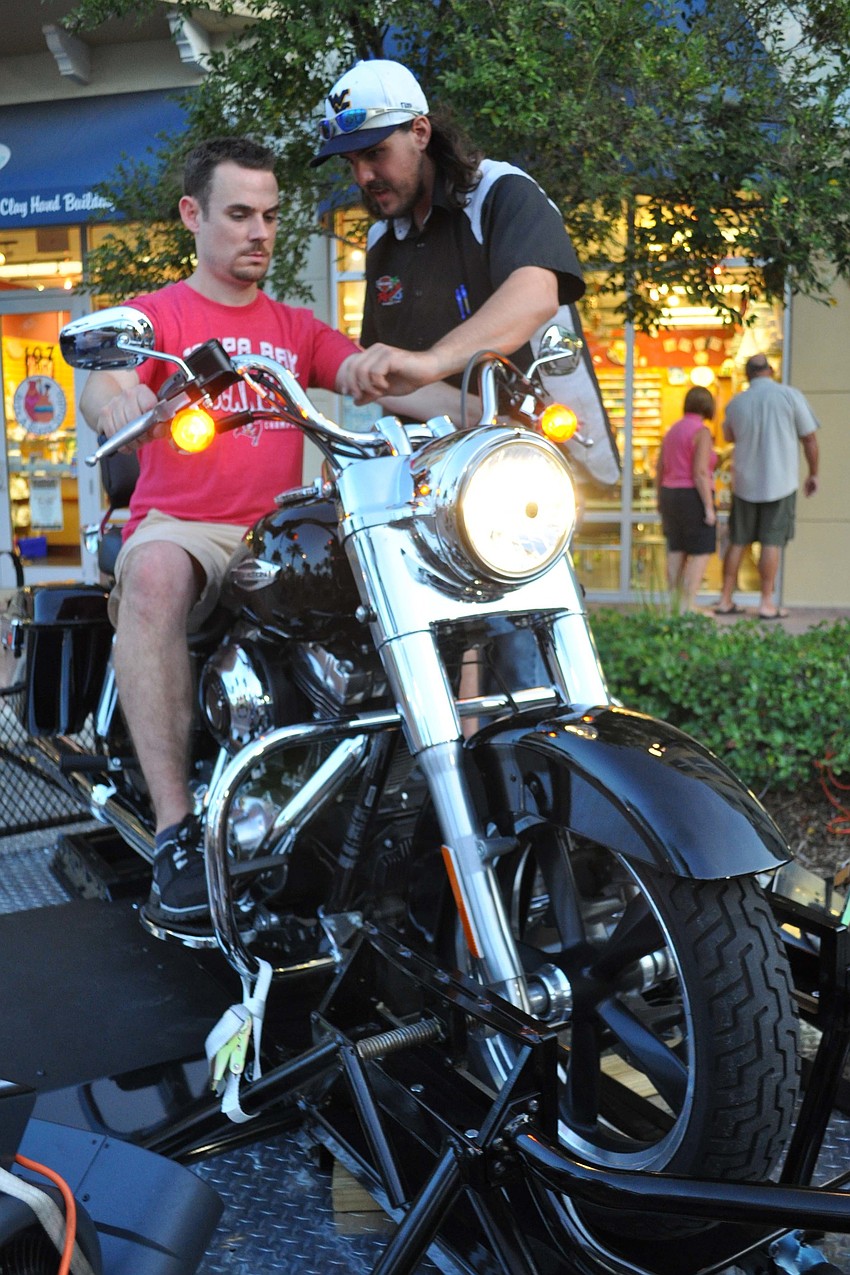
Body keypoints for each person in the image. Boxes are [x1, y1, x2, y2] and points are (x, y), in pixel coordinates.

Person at [79, 136, 367, 930]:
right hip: (186, 526)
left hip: (277, 535)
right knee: (157, 575)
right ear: (192, 215)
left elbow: (374, 372)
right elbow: (106, 372)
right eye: (240, 213)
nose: (260, 232)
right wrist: (116, 404)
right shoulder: (161, 313)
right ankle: (176, 834)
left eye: (271, 216)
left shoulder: (297, 326)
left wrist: (475, 392)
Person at [310, 58, 587, 417]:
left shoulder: (500, 191)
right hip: (430, 458)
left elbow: (536, 295)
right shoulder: (381, 238)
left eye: (374, 153)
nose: (362, 176)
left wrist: (432, 362)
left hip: (527, 455)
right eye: (350, 161)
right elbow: (395, 381)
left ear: (420, 132)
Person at [714, 352, 819, 620]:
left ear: (748, 374)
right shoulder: (790, 396)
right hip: (780, 481)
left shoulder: (737, 403)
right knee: (772, 541)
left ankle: (726, 598)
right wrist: (813, 474)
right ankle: (766, 602)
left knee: (738, 540)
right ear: (770, 371)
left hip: (745, 483)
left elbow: (728, 436)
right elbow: (809, 439)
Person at [656, 385, 717, 612]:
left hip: (670, 494)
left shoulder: (672, 431)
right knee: (701, 550)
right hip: (692, 496)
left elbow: (659, 468)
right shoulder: (702, 432)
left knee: (676, 548)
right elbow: (700, 472)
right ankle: (688, 605)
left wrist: (659, 498)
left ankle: (673, 604)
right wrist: (709, 508)